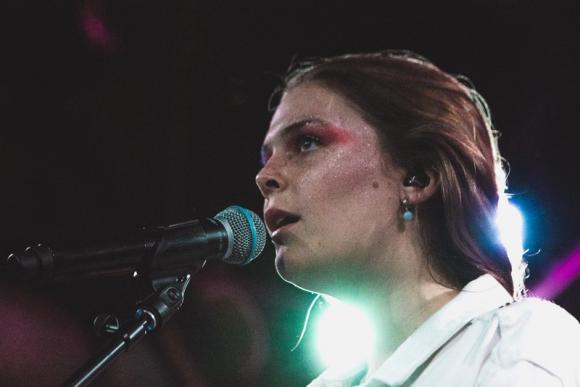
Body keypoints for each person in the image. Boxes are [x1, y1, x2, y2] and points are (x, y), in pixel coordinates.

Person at [255, 51, 580, 386]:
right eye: (267, 157)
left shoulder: (520, 342)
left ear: (417, 177)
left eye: (307, 142)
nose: (265, 176)